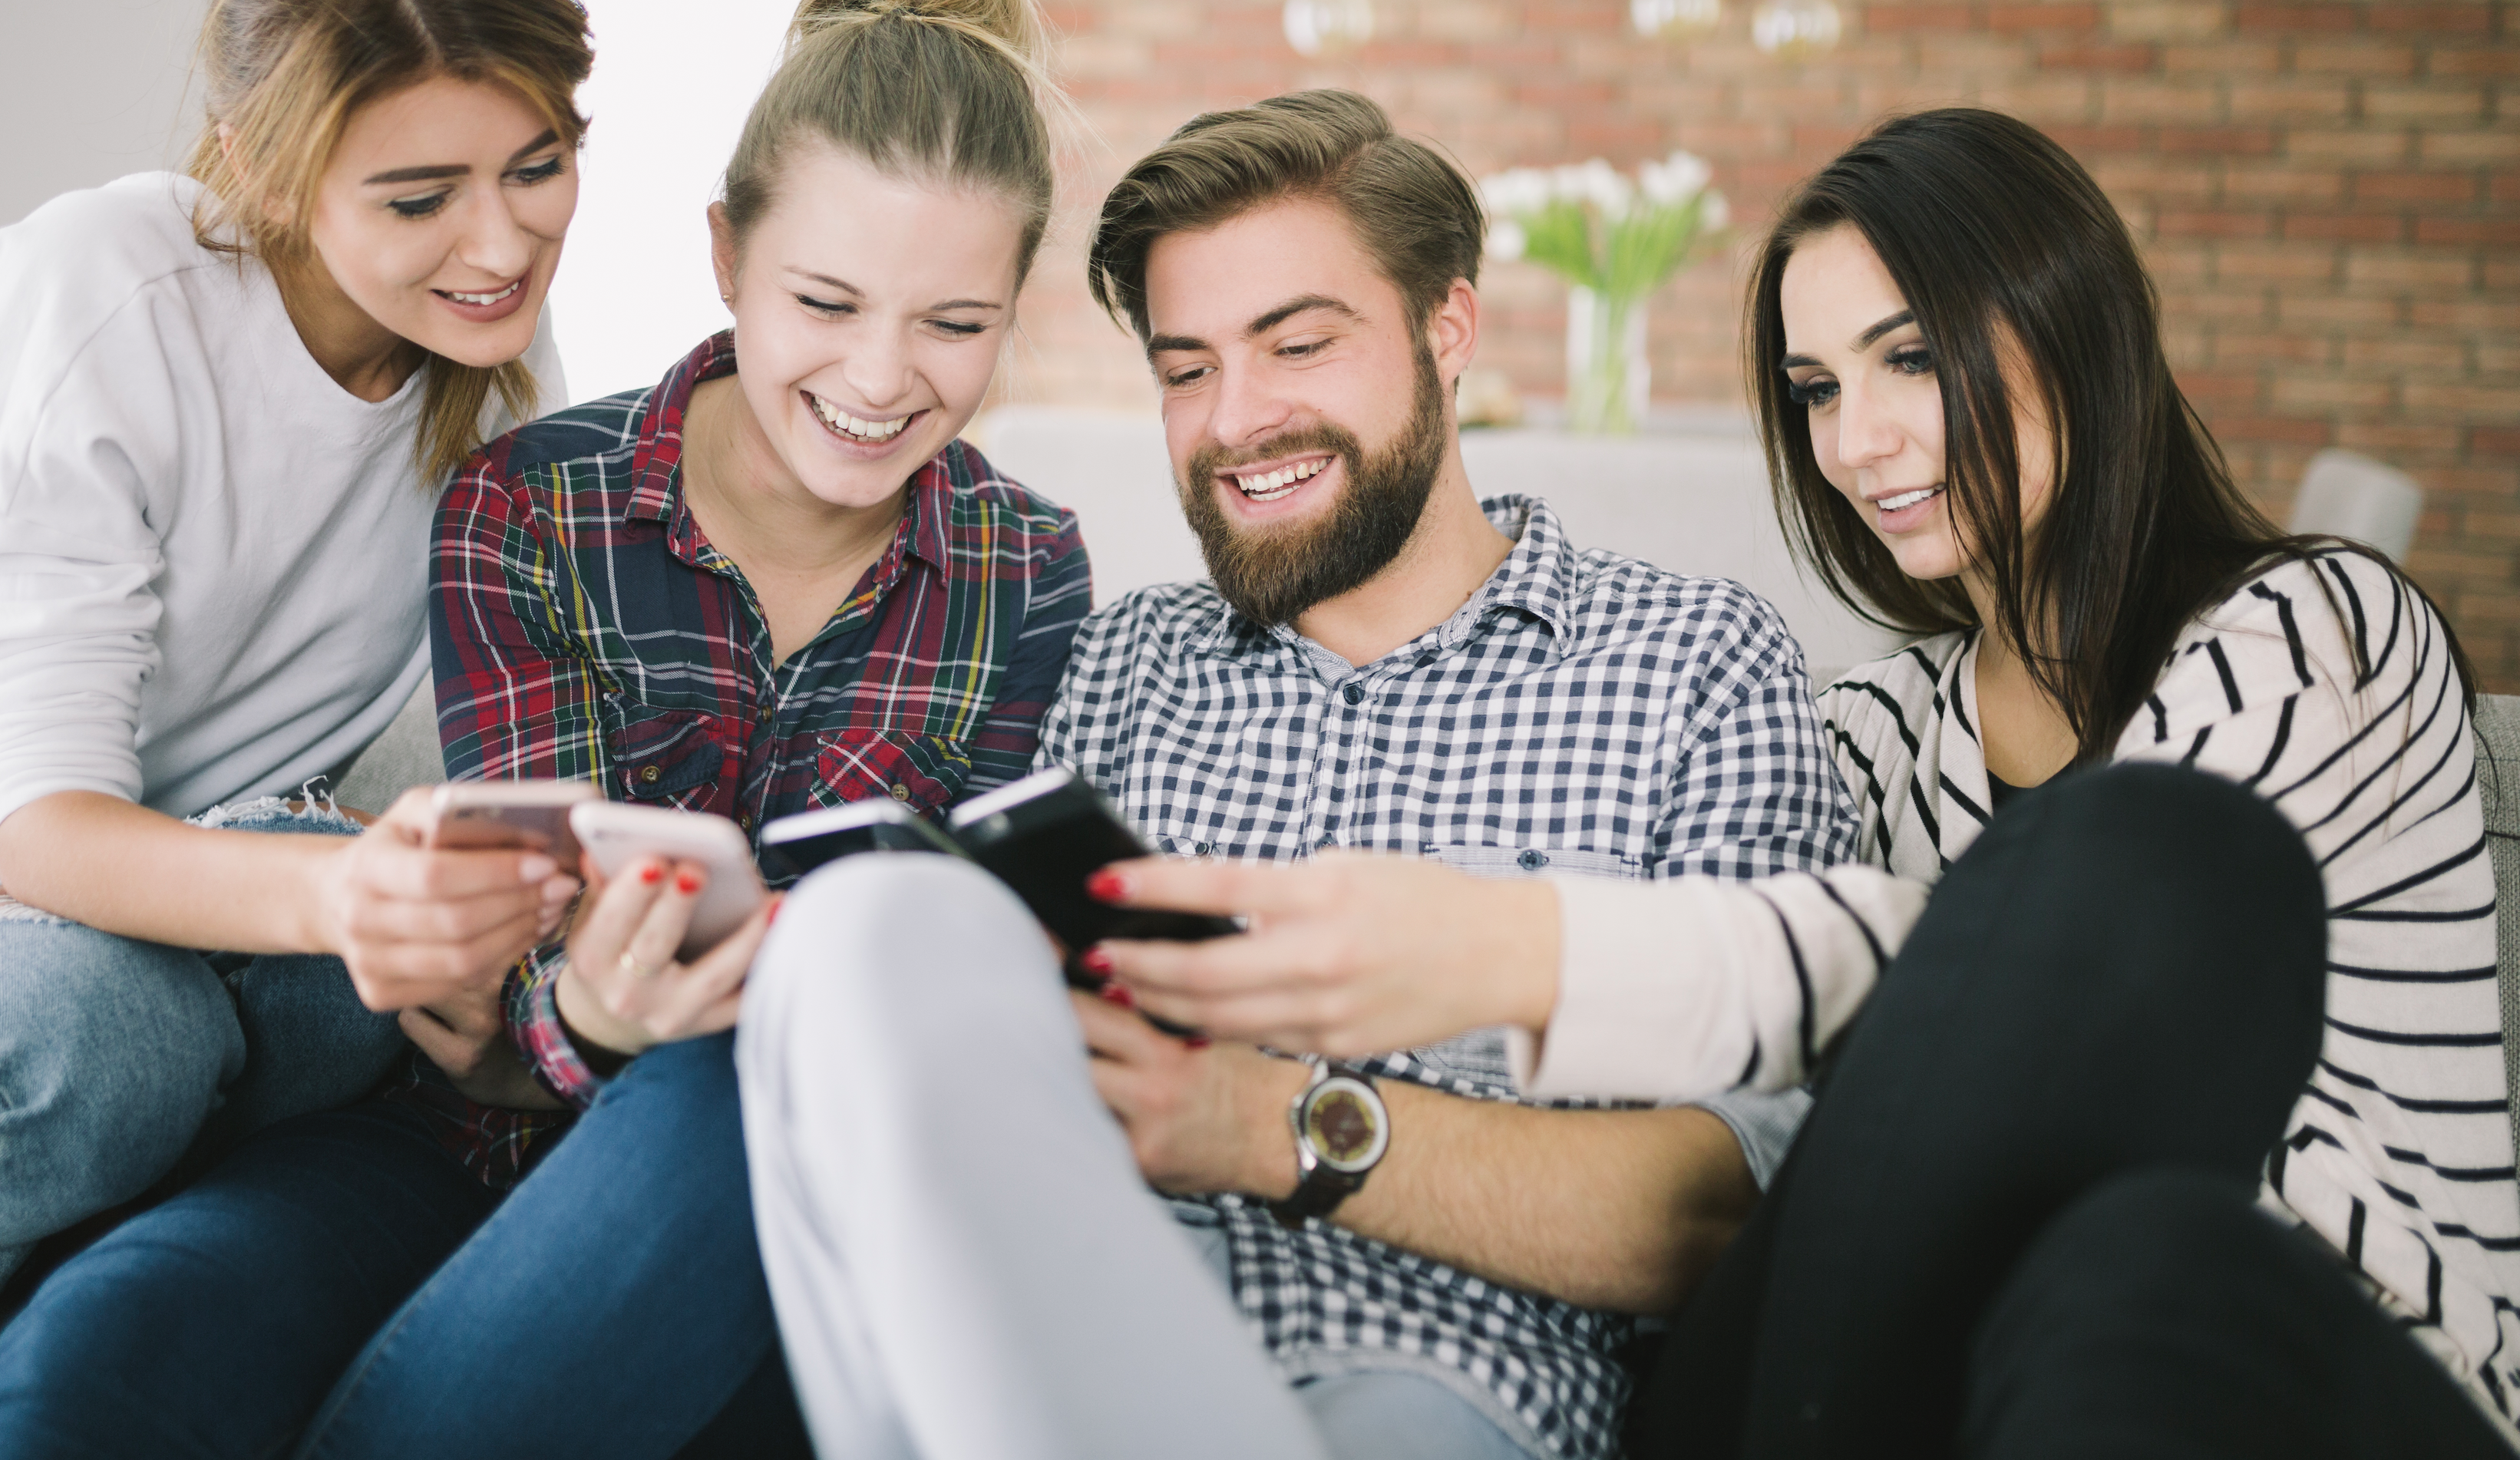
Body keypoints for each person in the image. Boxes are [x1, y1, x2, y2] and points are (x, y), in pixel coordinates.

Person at [1094, 109, 2520, 1458]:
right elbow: (1845, 1102)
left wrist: (1511, 953)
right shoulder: (1877, 732)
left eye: (1914, 359)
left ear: (2074, 324)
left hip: (2324, 1348)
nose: (1858, 443)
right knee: (2076, 1262)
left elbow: (2086, 968)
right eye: (1819, 389)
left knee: (2143, 1194)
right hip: (1945, 1379)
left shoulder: (2315, 629)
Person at [0, 0, 1095, 1460]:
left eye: (955, 324)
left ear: (1015, 305)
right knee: (114, 1350)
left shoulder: (1032, 572)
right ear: (725, 254)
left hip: (769, 1178)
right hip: (450, 1144)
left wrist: (632, 1028)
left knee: (721, 1093)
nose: (882, 378)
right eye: (825, 302)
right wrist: (582, 1015)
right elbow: (497, 985)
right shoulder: (526, 503)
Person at [735, 88, 1861, 1460]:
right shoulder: (1123, 661)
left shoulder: (1692, 665)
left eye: (1299, 345)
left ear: (1447, 331)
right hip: (1072, 1323)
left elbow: (1724, 1214)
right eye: (1187, 366)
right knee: (860, 934)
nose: (1237, 419)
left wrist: (1263, 1123)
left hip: (1424, 1383)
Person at [0, 0, 586, 1426]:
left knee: (334, 1003)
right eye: (422, 193)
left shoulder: (494, 370)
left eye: (539, 165)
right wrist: (344, 883)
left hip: (102, 885)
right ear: (259, 160)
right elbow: (50, 828)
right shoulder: (110, 292)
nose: (501, 245)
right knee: (102, 1036)